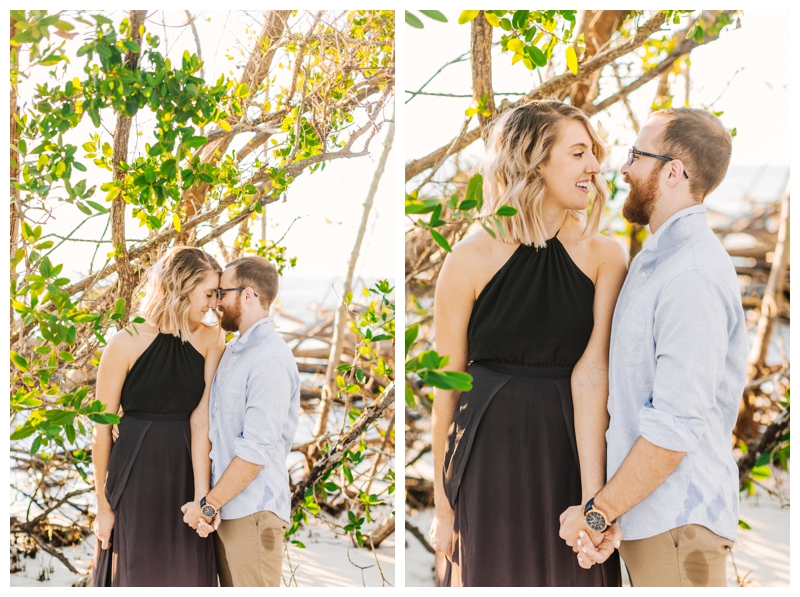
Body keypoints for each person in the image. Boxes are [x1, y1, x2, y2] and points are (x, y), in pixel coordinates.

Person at [429, 99, 628, 586]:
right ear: (536, 161)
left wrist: (593, 501)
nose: (594, 166)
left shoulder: (606, 256)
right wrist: (442, 505)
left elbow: (596, 372)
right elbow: (445, 388)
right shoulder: (468, 257)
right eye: (579, 152)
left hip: (572, 447)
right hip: (487, 451)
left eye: (595, 152)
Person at [559, 108, 746, 587]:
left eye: (636, 156)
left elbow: (675, 428)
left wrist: (597, 514)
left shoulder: (691, 276)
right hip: (652, 522)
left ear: (672, 172)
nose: (621, 168)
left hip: (678, 524)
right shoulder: (657, 262)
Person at [91, 246, 224, 586]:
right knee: (135, 568)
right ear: (182, 285)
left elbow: (202, 421)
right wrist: (103, 509)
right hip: (133, 476)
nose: (214, 304)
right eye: (208, 293)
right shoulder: (124, 343)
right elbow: (102, 430)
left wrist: (202, 499)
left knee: (186, 570)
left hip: (185, 471)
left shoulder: (212, 340)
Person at [181, 256, 300, 587]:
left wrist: (208, 505)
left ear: (248, 295)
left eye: (222, 293)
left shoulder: (270, 360)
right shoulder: (235, 351)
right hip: (226, 511)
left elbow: (256, 451)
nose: (216, 302)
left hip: (254, 514)